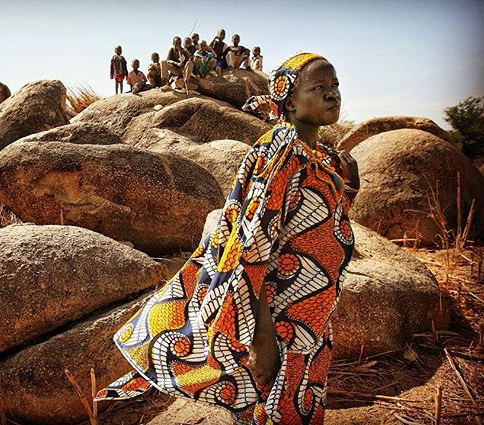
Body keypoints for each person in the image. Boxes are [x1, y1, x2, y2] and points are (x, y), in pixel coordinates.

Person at [96, 52, 360, 425]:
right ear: (287, 98)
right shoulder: (280, 153)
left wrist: (350, 185)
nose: (332, 94)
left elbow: (322, 223)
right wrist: (261, 337)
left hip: (312, 314)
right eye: (319, 87)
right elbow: (252, 244)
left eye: (334, 85)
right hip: (278, 316)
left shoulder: (326, 159)